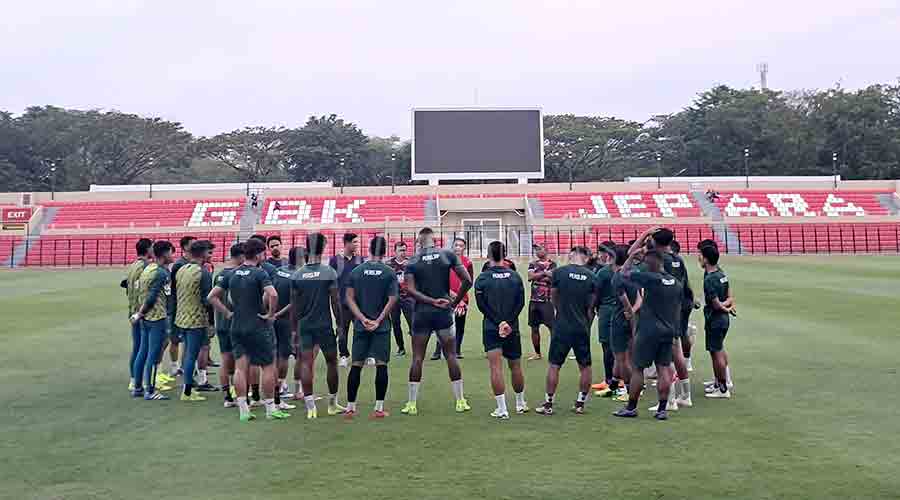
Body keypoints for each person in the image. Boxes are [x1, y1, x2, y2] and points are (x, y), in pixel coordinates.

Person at [208, 238, 289, 422]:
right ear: (260, 254)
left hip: (237, 325)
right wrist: (270, 314)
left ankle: (244, 410)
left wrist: (228, 313)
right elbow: (273, 294)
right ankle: (270, 409)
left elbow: (212, 297)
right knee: (267, 366)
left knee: (240, 368)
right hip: (258, 326)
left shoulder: (232, 273)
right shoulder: (260, 274)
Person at [402, 227, 473, 416]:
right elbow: (467, 280)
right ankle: (460, 401)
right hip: (443, 312)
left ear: (419, 241)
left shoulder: (412, 261)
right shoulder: (447, 255)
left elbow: (409, 290)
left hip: (421, 313)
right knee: (451, 355)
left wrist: (430, 301)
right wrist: (454, 302)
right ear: (434, 239)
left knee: (417, 358)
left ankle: (411, 404)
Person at [613, 232, 683, 421]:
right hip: (669, 330)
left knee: (638, 369)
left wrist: (630, 257)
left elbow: (622, 275)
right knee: (663, 368)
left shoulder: (649, 278)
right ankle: (662, 409)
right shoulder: (675, 283)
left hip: (649, 329)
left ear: (651, 263)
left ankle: (631, 407)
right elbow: (679, 306)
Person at [536, 246, 597, 416]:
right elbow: (590, 305)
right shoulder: (592, 276)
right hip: (581, 326)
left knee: (555, 365)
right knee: (585, 366)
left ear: (571, 255)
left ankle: (548, 404)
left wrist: (560, 310)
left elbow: (553, 296)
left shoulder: (559, 272)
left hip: (562, 325)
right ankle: (580, 403)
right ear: (585, 258)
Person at [343, 236, 399, 419]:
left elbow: (349, 298)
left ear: (369, 249)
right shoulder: (389, 272)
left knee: (356, 365)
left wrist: (361, 318)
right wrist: (378, 319)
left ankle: (350, 407)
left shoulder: (357, 271)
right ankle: (379, 408)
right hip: (381, 327)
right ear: (384, 251)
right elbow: (393, 299)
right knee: (381, 365)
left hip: (361, 326)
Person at [291, 232, 344, 419]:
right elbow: (335, 303)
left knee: (306, 363)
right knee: (332, 362)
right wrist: (340, 324)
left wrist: (293, 331)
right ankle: (332, 404)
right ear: (322, 248)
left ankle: (310, 407)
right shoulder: (328, 272)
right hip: (324, 325)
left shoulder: (297, 275)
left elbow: (294, 307)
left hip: (305, 326)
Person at [475, 241, 528, 419]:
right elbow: (520, 303)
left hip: (491, 327)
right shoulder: (515, 276)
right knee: (515, 366)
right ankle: (520, 404)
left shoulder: (482, 278)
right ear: (504, 255)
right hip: (512, 328)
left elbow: (482, 306)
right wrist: (508, 322)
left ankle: (502, 409)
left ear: (488, 255)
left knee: (496, 367)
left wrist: (498, 322)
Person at [651, 228, 695, 410]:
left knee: (665, 356)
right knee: (676, 353)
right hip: (679, 309)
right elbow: (685, 285)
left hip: (665, 311)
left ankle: (669, 400)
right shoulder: (678, 259)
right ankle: (685, 395)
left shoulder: (662, 260)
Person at [130, 240, 176, 401]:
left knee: (142, 351)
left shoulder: (148, 268)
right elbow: (152, 297)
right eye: (171, 252)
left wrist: (139, 314)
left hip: (145, 318)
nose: (172, 255)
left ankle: (137, 387)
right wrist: (142, 312)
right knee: (153, 354)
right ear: (164, 254)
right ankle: (150, 390)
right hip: (156, 317)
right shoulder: (162, 273)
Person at [174, 240, 215, 402]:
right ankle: (188, 391)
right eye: (208, 251)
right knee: (192, 354)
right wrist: (211, 322)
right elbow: (208, 300)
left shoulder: (182, 269)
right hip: (196, 318)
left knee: (187, 354)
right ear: (203, 253)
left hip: (181, 317)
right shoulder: (203, 272)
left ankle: (187, 387)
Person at [700, 245, 735, 399]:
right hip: (723, 320)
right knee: (719, 349)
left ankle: (722, 388)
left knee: (716, 353)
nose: (699, 258)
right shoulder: (722, 274)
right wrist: (727, 306)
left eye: (700, 255)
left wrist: (724, 308)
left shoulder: (709, 279)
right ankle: (720, 383)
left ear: (706, 259)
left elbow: (715, 304)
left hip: (714, 319)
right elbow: (729, 298)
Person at [269, 247, 301, 412]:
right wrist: (277, 314)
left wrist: (270, 312)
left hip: (272, 319)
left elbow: (269, 292)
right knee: (284, 355)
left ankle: (274, 387)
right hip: (286, 321)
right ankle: (280, 387)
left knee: (274, 354)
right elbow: (293, 303)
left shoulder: (279, 271)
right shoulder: (298, 276)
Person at [608, 245, 641, 402]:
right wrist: (634, 312)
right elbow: (641, 298)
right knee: (630, 357)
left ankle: (629, 392)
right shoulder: (635, 273)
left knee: (622, 358)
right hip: (634, 319)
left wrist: (629, 312)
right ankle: (618, 388)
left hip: (621, 319)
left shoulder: (617, 278)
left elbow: (624, 301)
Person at [432, 238, 474, 360]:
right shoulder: (445, 261)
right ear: (452, 246)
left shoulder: (468, 262)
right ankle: (438, 351)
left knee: (460, 325)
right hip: (446, 297)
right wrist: (453, 295)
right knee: (442, 324)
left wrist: (460, 297)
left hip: (462, 299)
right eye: (456, 245)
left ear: (464, 248)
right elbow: (440, 281)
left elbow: (469, 282)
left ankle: (457, 350)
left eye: (461, 246)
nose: (458, 248)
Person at [214, 242, 244, 408]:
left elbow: (213, 298)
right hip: (235, 323)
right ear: (240, 256)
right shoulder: (236, 275)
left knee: (225, 358)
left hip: (221, 324)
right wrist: (229, 312)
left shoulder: (219, 274)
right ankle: (241, 395)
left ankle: (227, 397)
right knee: (240, 360)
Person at [329, 233, 363, 367]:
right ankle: (343, 355)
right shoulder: (334, 260)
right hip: (341, 302)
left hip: (358, 303)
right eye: (354, 242)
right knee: (342, 330)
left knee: (360, 330)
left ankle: (362, 354)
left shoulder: (360, 259)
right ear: (347, 243)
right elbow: (331, 282)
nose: (357, 244)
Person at [123, 238, 153, 391]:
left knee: (137, 347)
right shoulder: (146, 267)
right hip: (142, 312)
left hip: (132, 310)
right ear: (148, 249)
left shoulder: (133, 265)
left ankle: (134, 379)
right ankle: (142, 382)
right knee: (144, 348)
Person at [166, 235, 196, 378]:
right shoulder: (179, 264)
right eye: (192, 244)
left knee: (188, 339)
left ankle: (187, 366)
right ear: (185, 247)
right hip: (178, 306)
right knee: (175, 338)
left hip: (188, 307)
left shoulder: (194, 263)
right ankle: (174, 366)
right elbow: (173, 286)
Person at [592, 242, 620, 396]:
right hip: (622, 310)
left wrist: (593, 308)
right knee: (622, 347)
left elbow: (596, 293)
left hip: (607, 311)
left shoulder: (603, 272)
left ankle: (610, 379)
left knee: (607, 346)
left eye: (601, 252)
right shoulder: (629, 270)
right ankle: (619, 378)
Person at [526, 244, 556, 361]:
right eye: (536, 249)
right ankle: (537, 353)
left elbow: (552, 278)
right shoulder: (532, 264)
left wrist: (537, 276)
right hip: (534, 301)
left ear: (546, 250)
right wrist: (544, 273)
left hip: (547, 301)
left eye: (540, 249)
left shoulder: (553, 264)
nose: (537, 251)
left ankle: (554, 352)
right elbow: (530, 277)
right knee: (534, 327)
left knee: (552, 327)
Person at [387, 241, 413, 357]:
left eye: (404, 250)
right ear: (394, 251)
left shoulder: (411, 263)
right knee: (396, 324)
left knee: (412, 323)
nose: (403, 252)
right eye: (400, 250)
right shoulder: (388, 264)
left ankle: (417, 346)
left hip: (408, 298)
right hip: (394, 299)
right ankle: (401, 347)